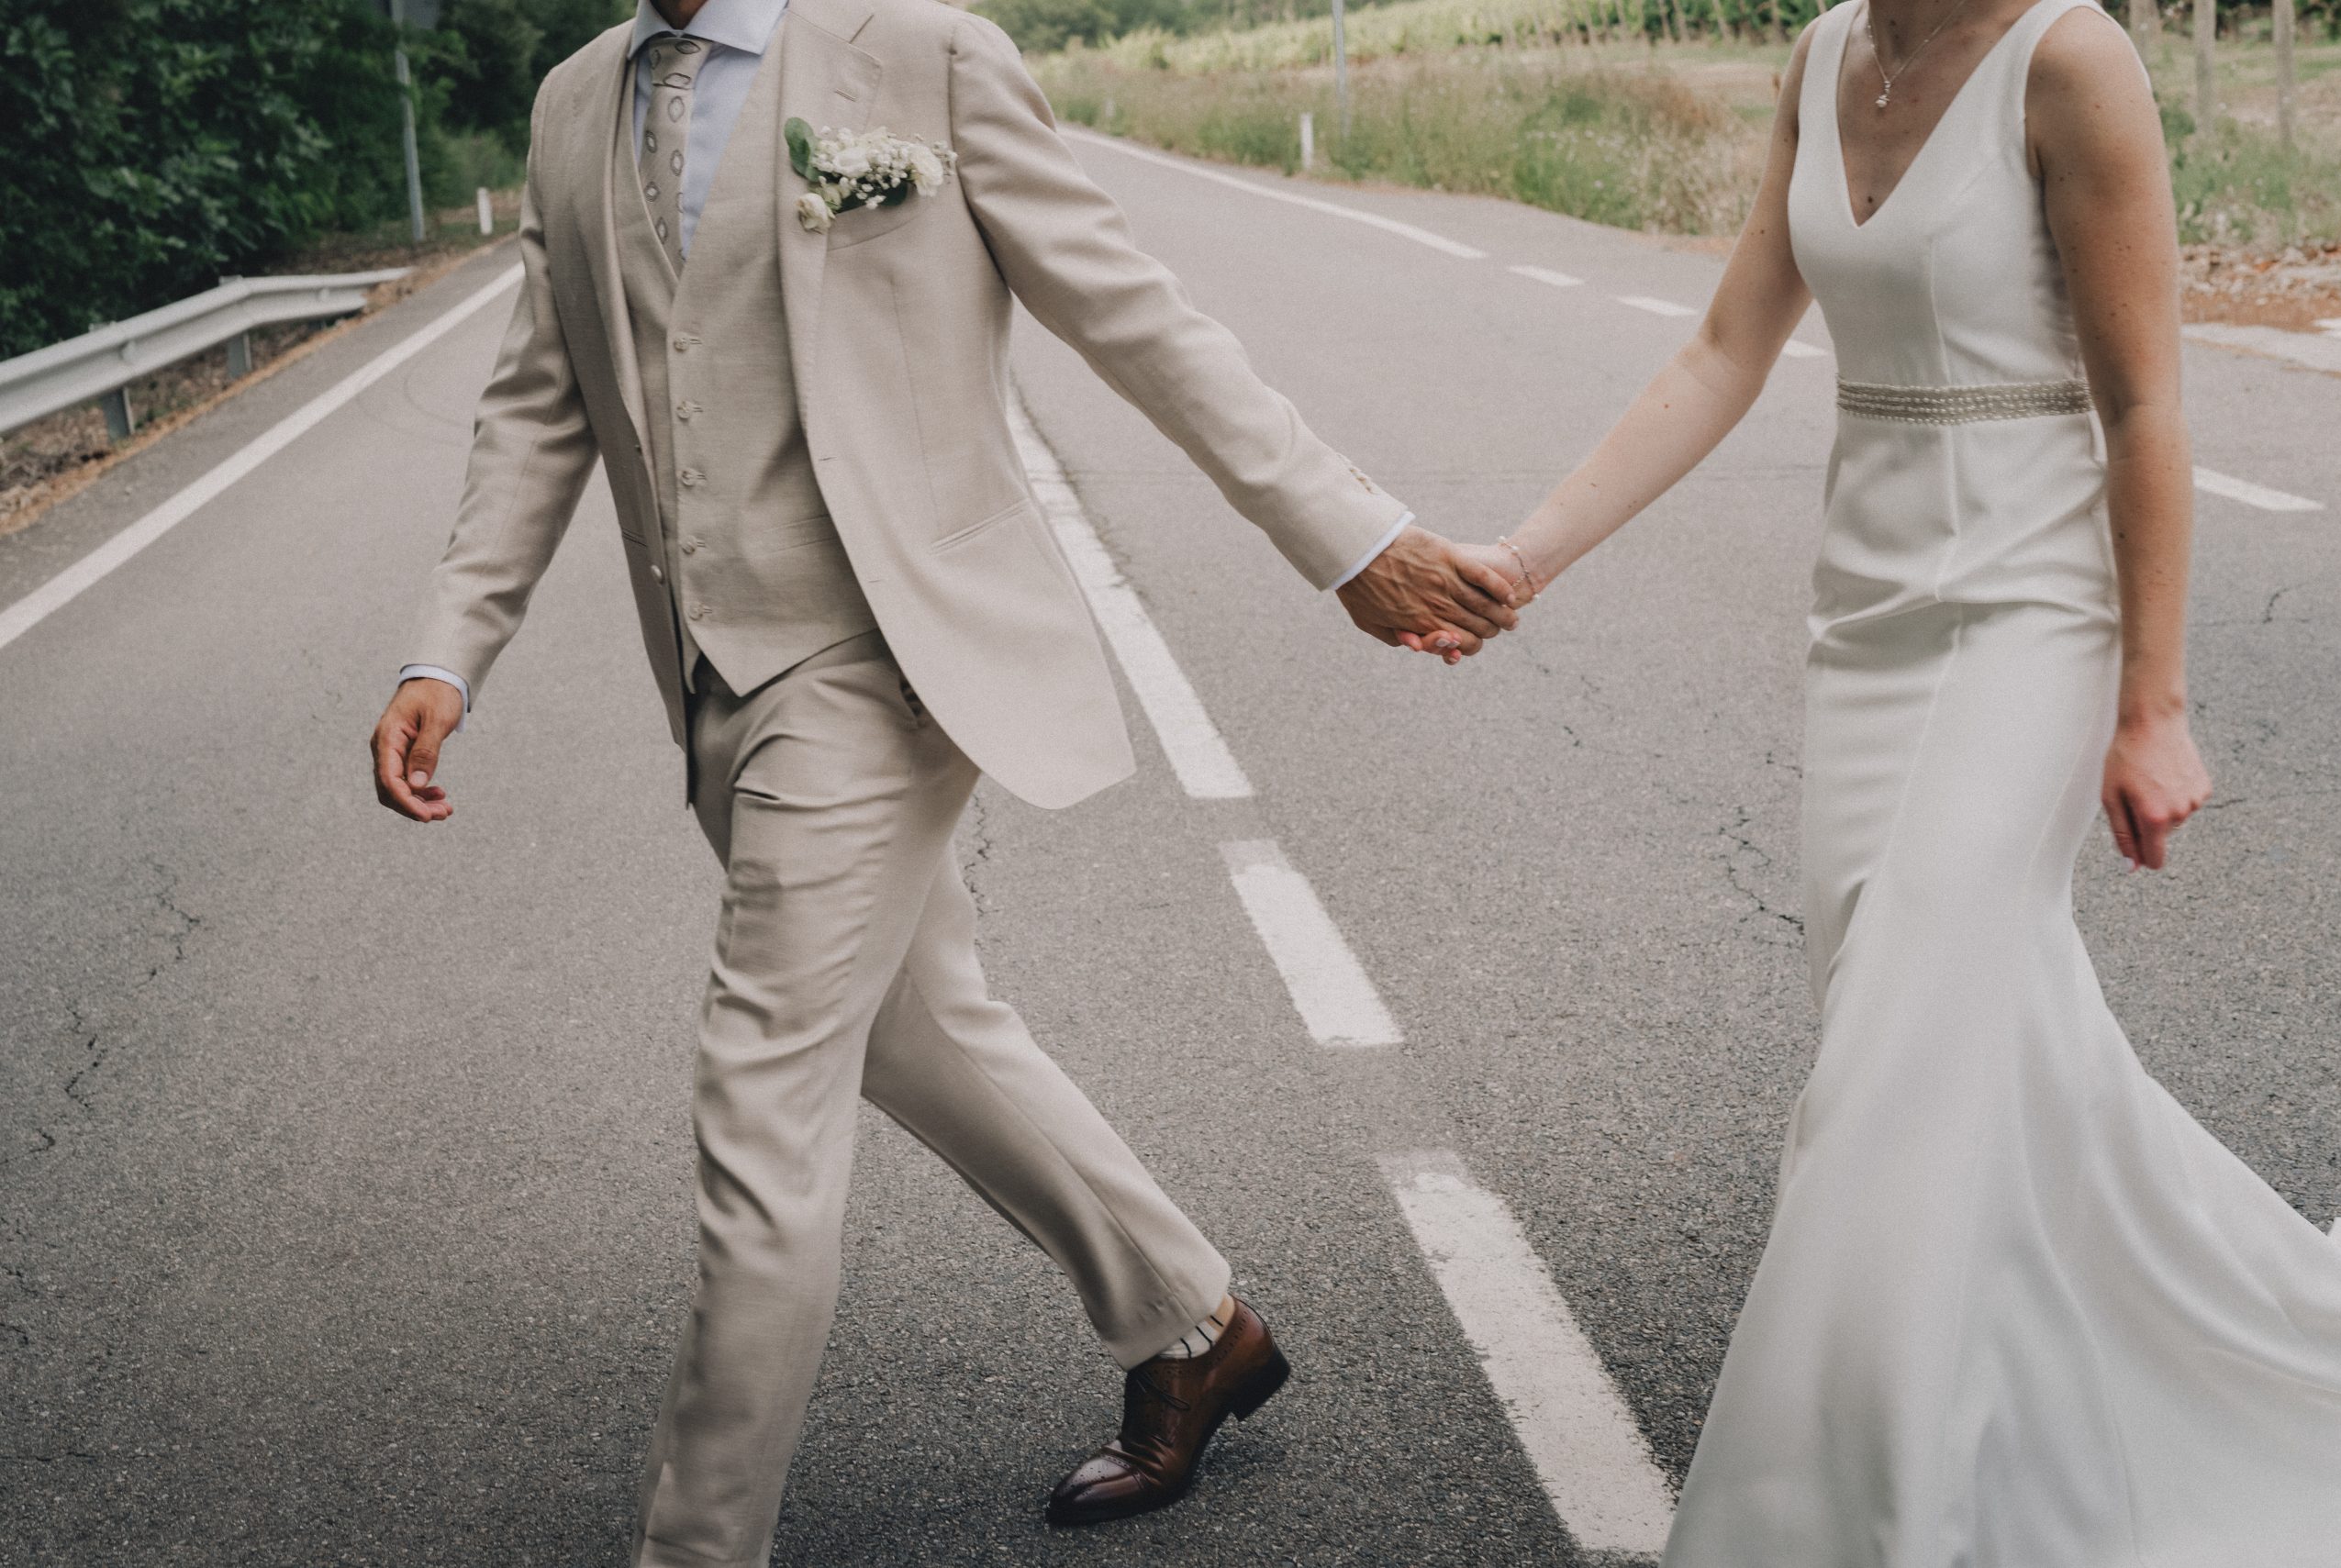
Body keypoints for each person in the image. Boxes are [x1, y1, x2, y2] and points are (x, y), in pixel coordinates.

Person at [366, 0, 1517, 1561]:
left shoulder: (923, 54)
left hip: (887, 656)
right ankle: (1193, 1322)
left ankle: (695, 1544)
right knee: (921, 1031)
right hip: (716, 680)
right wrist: (449, 650)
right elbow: (539, 404)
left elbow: (1138, 317)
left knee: (759, 1098)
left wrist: (1350, 538)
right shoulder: (576, 105)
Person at [1478, 0, 2341, 1559]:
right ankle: (2151, 1371)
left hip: (2029, 618)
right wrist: (1525, 558)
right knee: (1975, 1057)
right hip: (1866, 624)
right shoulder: (1820, 60)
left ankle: (1845, 1517)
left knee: (1889, 1074)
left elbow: (2147, 402)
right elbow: (1726, 345)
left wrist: (2154, 701)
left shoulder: (2069, 60)